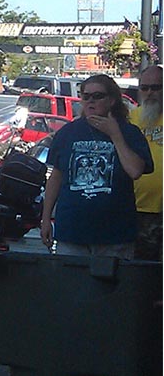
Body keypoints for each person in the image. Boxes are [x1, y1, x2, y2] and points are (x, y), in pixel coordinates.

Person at [41, 73, 153, 259]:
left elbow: (135, 171)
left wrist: (115, 135)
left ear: (111, 101)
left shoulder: (129, 132)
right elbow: (56, 177)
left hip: (114, 234)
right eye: (86, 96)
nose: (90, 101)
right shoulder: (67, 133)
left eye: (98, 96)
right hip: (72, 231)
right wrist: (46, 219)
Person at [131, 64, 162, 260]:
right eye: (144, 88)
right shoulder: (129, 119)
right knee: (139, 272)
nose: (150, 93)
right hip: (135, 210)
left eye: (157, 87)